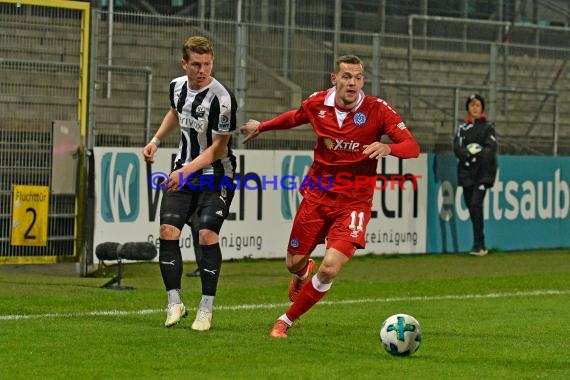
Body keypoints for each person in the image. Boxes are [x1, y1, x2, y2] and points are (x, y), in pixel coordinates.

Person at [239, 54, 420, 338]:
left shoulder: (378, 110)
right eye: (346, 77)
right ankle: (302, 272)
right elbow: (295, 117)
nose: (352, 83)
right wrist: (262, 126)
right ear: (334, 79)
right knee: (293, 263)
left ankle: (284, 321)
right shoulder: (317, 103)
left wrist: (389, 149)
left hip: (355, 202)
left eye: (358, 77)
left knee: (330, 268)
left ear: (363, 80)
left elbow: (411, 146)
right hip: (317, 196)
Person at [142, 36, 237, 331]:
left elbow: (219, 148)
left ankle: (205, 308)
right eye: (196, 64)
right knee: (167, 231)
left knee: (207, 235)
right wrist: (156, 140)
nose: (202, 70)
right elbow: (175, 112)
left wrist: (185, 172)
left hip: (215, 174)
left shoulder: (222, 99)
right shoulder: (176, 87)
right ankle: (175, 303)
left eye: (207, 64)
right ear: (184, 63)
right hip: (183, 170)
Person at [453, 93, 498, 256]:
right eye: (472, 105)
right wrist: (468, 152)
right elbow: (457, 149)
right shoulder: (462, 129)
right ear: (467, 108)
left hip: (483, 173)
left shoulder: (488, 127)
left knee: (475, 204)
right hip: (466, 173)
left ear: (482, 108)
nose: (474, 108)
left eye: (477, 105)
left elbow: (490, 149)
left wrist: (475, 153)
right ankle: (480, 243)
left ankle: (479, 243)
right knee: (471, 208)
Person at [186, 212, 202, 277]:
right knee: (199, 240)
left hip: (198, 210)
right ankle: (204, 269)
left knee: (198, 239)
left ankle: (202, 269)